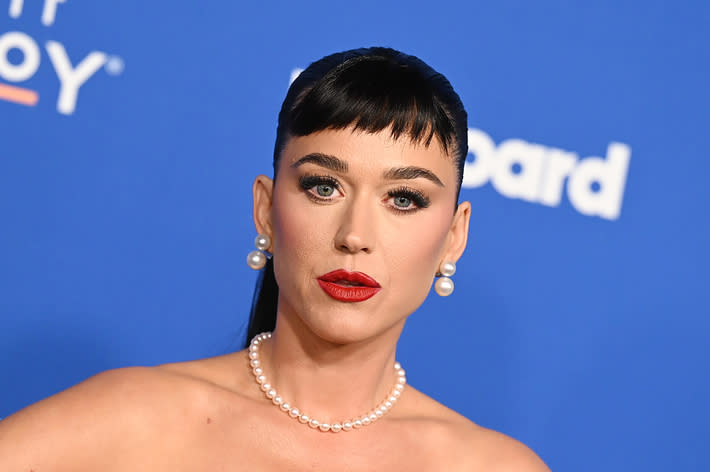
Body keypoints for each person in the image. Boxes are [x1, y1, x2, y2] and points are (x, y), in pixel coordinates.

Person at [0, 47, 550, 471]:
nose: (355, 236)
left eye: (403, 199)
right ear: (265, 209)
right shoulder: (131, 420)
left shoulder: (493, 467)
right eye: (323, 187)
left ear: (454, 236)